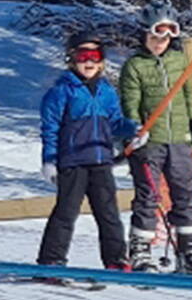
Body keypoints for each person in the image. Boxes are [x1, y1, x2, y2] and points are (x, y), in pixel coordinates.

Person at [37, 35, 145, 274]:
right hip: (73, 162)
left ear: (102, 62)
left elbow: (115, 123)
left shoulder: (106, 91)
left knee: (108, 214)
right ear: (72, 59)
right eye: (82, 56)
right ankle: (51, 261)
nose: (88, 62)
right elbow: (50, 128)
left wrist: (134, 130)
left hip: (100, 161)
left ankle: (116, 260)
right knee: (66, 213)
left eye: (94, 57)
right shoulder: (61, 91)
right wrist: (49, 160)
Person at [120, 7, 192, 275]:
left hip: (179, 139)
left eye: (167, 38)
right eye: (156, 37)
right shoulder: (135, 65)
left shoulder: (180, 61)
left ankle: (190, 251)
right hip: (150, 140)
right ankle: (141, 251)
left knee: (186, 193)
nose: (161, 43)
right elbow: (130, 103)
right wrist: (134, 131)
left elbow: (189, 95)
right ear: (144, 35)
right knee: (148, 195)